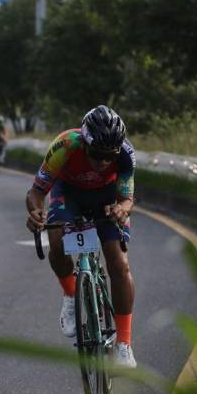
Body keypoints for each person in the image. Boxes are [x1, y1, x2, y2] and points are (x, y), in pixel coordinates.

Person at [24, 105, 137, 369]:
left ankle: (124, 344)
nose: (103, 162)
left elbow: (127, 198)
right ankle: (70, 294)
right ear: (85, 143)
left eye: (110, 156)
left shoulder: (126, 155)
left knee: (119, 265)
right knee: (57, 242)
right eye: (97, 155)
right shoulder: (65, 145)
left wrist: (122, 209)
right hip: (69, 193)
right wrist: (36, 212)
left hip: (107, 197)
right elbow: (36, 191)